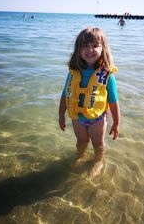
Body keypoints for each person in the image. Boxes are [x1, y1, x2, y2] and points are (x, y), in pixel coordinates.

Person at [59, 27, 120, 177]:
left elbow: (113, 100)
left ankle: (98, 161)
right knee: (81, 141)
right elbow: (65, 94)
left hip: (97, 119)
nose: (89, 49)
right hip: (77, 117)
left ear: (103, 48)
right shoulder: (74, 72)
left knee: (98, 144)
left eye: (94, 45)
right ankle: (80, 156)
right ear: (78, 49)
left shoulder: (107, 75)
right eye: (85, 46)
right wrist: (61, 114)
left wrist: (116, 123)